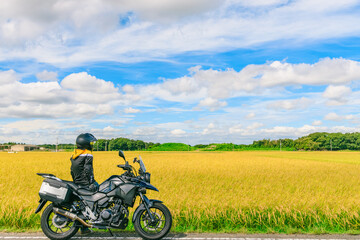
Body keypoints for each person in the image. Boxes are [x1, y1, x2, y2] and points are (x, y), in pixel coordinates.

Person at [70, 133, 99, 234]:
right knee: (99, 195)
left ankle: (84, 227)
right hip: (85, 182)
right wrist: (92, 182)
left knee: (83, 204)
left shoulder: (75, 154)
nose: (92, 144)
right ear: (85, 143)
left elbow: (72, 170)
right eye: (90, 142)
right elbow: (88, 170)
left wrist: (76, 181)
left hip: (77, 182)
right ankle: (97, 221)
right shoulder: (87, 154)